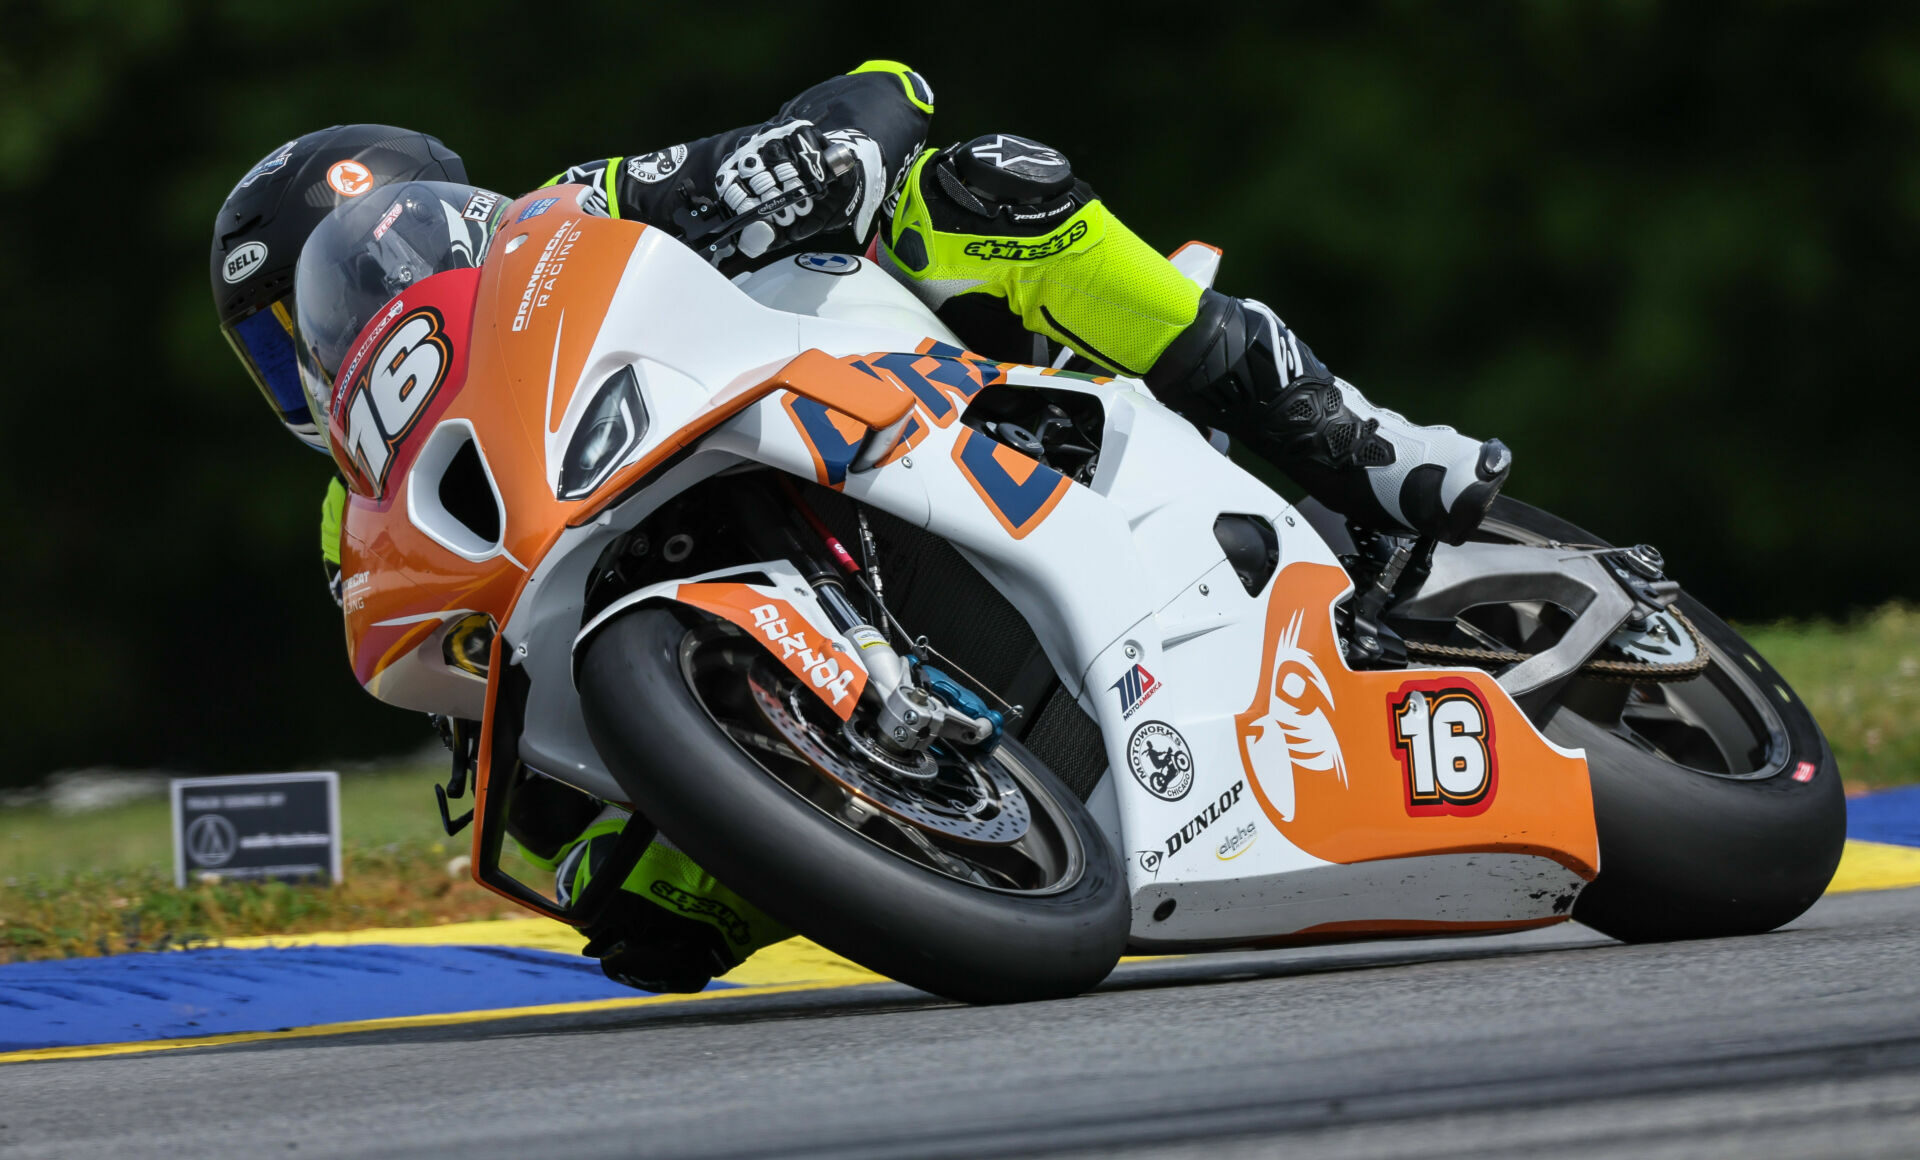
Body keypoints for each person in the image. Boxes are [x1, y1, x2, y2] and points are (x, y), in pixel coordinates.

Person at [210, 60, 1510, 994]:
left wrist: (818, 145)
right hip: (684, 636)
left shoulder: (571, 206)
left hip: (871, 396)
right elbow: (474, 721)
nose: (357, 324)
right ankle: (853, 808)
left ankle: (1348, 436)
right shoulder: (357, 517)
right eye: (289, 341)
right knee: (630, 918)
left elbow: (883, 93)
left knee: (987, 187)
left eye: (391, 255)